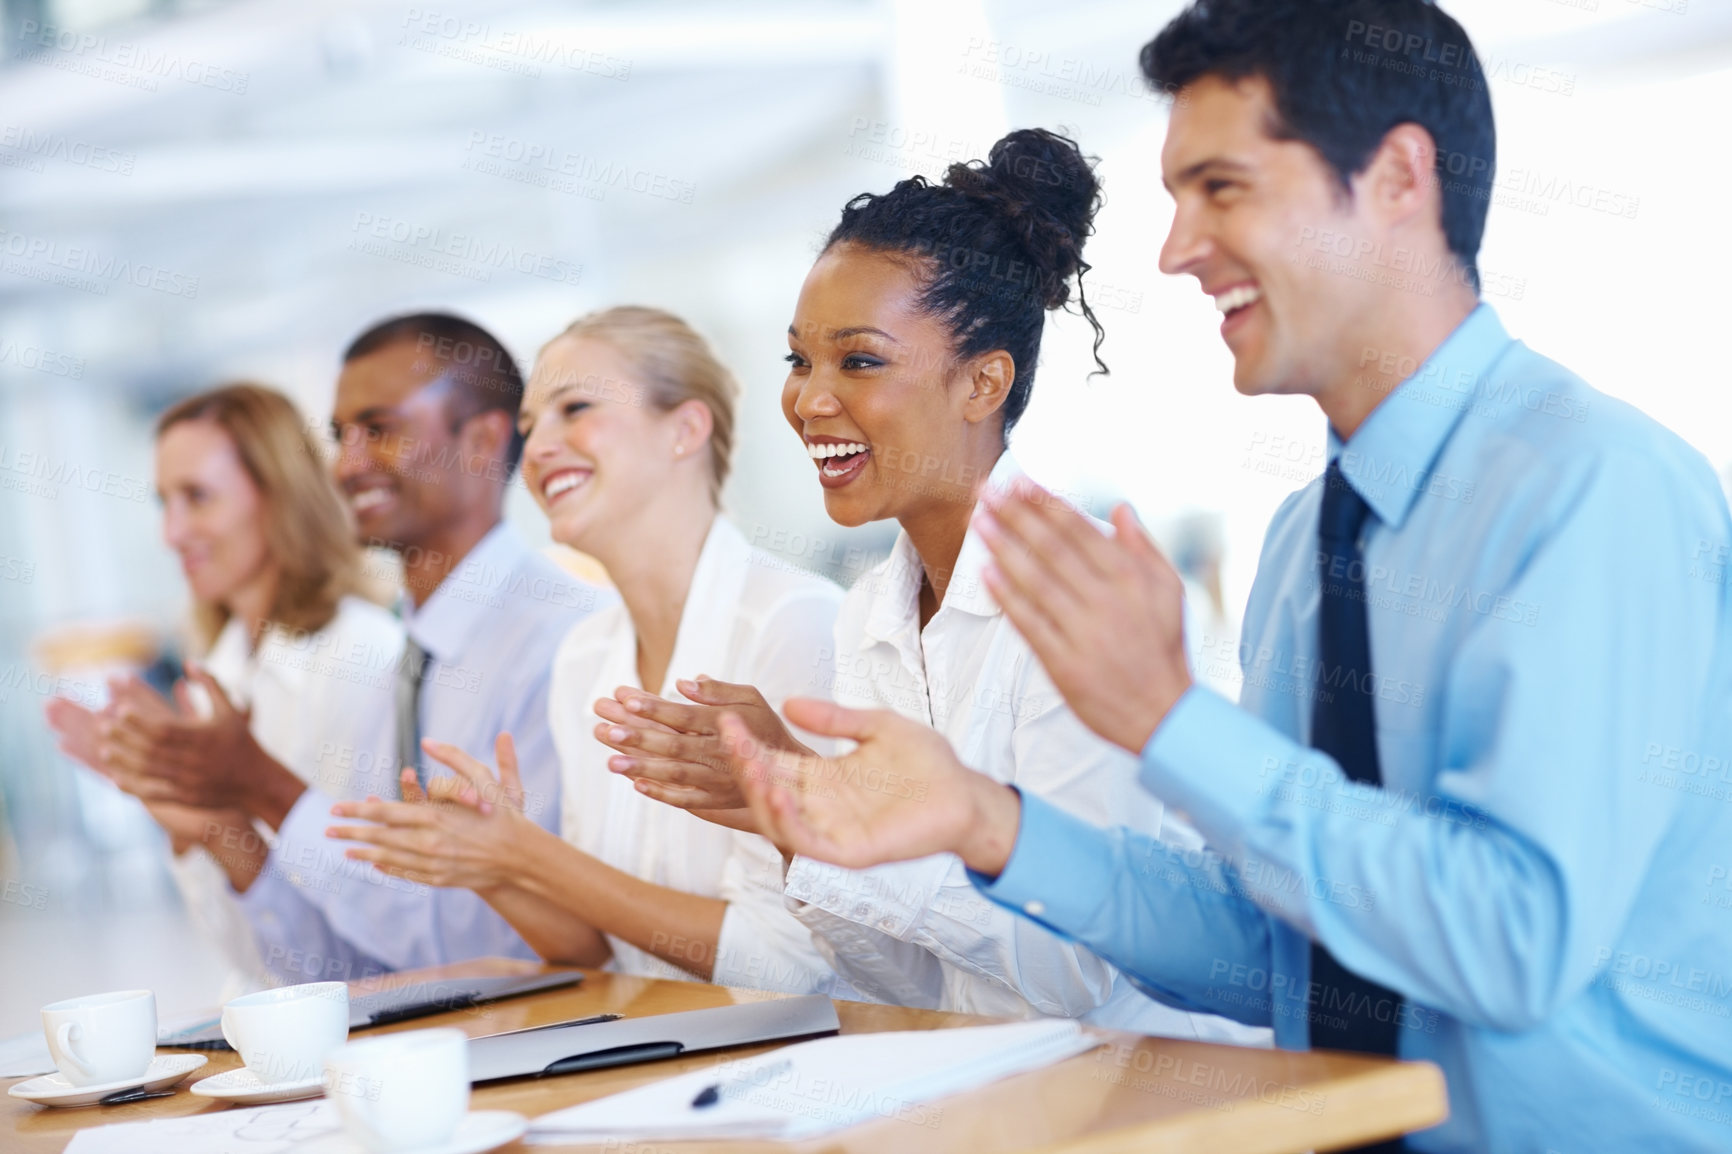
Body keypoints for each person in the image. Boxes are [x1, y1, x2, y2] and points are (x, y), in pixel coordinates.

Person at [708, 2, 1732, 1151]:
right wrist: (986, 822)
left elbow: (1511, 939)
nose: (1173, 247)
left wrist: (1172, 721)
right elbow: (1279, 952)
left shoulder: (1590, 488)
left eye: (1222, 189)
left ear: (1396, 176)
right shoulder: (1309, 541)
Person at [597, 131, 1262, 1043]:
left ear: (984, 382)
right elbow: (912, 981)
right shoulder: (873, 614)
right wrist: (797, 819)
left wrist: (818, 810)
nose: (810, 399)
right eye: (800, 360)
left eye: (859, 361)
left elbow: (1073, 975)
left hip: (1157, 1100)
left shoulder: (1078, 599)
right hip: (994, 1095)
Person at [325, 307, 858, 996]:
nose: (539, 446)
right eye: (530, 426)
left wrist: (532, 856)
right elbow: (596, 950)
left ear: (686, 429)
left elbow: (795, 963)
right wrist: (494, 865)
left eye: (573, 409)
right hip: (662, 1060)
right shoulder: (585, 656)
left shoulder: (793, 624)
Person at [84, 314, 611, 983]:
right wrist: (220, 819)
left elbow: (507, 946)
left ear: (481, 441)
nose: (346, 464)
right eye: (342, 435)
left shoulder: (566, 643)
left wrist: (264, 787)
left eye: (380, 430)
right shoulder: (407, 663)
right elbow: (353, 965)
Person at [45, 383, 402, 997]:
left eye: (197, 498)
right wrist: (190, 825)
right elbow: (253, 959)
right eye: (164, 502)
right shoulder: (223, 666)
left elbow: (370, 960)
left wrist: (226, 827)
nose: (172, 532)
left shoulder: (363, 659)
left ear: (277, 497)